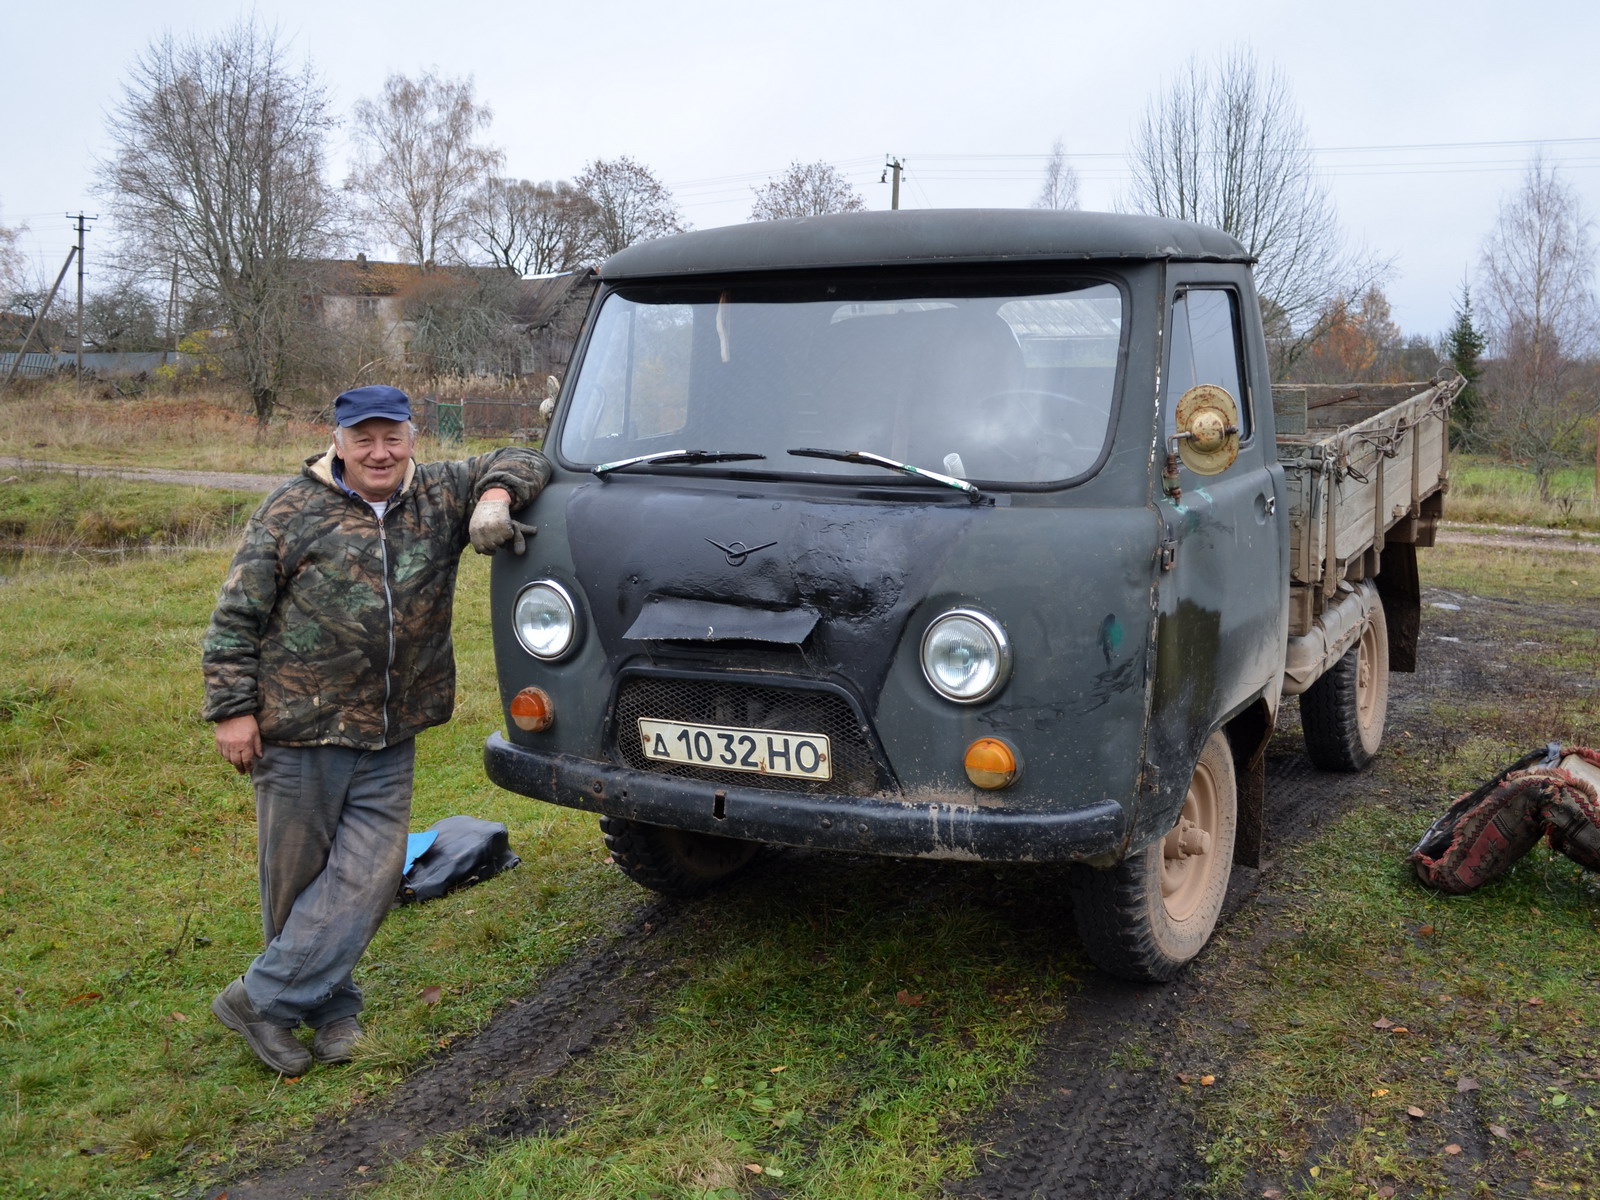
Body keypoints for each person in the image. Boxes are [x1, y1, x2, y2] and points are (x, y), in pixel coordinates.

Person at [200, 385, 550, 1075]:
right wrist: (232, 710)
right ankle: (331, 1010)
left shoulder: (442, 492)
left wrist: (495, 498)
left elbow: (524, 457)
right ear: (338, 440)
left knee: (371, 875)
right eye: (364, 438)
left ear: (413, 437)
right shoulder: (289, 509)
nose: (380, 452)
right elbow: (234, 619)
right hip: (299, 732)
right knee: (298, 884)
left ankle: (259, 999)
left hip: (391, 731)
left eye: (392, 436)